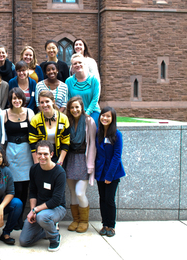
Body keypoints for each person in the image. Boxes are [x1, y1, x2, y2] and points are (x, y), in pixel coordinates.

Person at [19, 140, 67, 252]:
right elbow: (33, 192)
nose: (42, 156)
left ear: (51, 154)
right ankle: (46, 230)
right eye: (39, 153)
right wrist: (32, 210)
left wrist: (36, 210)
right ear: (36, 154)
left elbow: (56, 200)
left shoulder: (59, 173)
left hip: (57, 208)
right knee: (24, 241)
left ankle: (54, 237)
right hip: (40, 209)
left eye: (45, 154)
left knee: (42, 217)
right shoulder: (34, 169)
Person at [4, 88, 35, 229]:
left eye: (19, 98)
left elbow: (35, 132)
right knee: (15, 187)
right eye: (13, 98)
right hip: (10, 151)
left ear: (23, 99)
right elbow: (0, 134)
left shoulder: (29, 113)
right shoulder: (4, 113)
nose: (16, 101)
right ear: (10, 100)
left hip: (26, 152)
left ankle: (20, 219)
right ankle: (13, 218)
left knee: (24, 187)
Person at [65, 96, 96, 233]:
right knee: (72, 192)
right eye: (72, 107)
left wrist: (91, 165)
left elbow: (93, 144)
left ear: (82, 107)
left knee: (79, 192)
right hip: (70, 158)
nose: (74, 110)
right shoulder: (67, 121)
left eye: (77, 107)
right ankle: (75, 219)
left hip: (83, 160)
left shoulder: (89, 121)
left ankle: (84, 221)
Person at [95, 107, 126, 237]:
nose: (105, 118)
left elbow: (117, 156)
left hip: (112, 173)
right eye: (103, 115)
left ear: (112, 119)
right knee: (102, 199)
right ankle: (104, 224)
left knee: (109, 200)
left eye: (108, 116)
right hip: (100, 172)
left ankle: (111, 226)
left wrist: (109, 175)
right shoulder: (98, 133)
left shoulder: (117, 135)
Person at [29, 90, 70, 165]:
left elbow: (66, 142)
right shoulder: (35, 120)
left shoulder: (63, 119)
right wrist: (36, 161)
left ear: (53, 101)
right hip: (42, 155)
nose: (44, 105)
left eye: (47, 101)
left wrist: (60, 161)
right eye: (42, 102)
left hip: (58, 154)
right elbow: (32, 142)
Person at [66, 53, 101, 126]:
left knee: (91, 124)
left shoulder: (94, 79)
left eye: (80, 62)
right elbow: (68, 99)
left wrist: (87, 113)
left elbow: (95, 99)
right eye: (75, 63)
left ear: (84, 64)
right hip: (75, 112)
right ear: (72, 67)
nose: (78, 65)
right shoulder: (68, 81)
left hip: (92, 111)